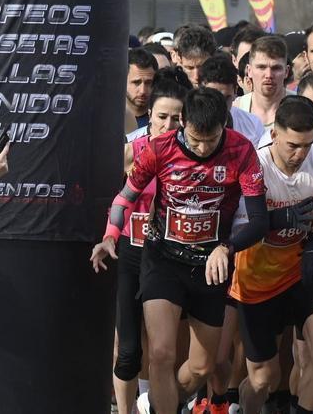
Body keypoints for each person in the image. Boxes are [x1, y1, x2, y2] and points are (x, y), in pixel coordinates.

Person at [97, 88, 269, 414]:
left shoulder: (241, 150)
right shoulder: (158, 148)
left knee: (203, 367)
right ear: (182, 123)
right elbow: (124, 198)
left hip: (210, 264)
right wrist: (110, 234)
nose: (203, 148)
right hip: (163, 259)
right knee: (161, 353)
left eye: (212, 139)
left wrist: (226, 248)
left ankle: (160, 402)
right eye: (195, 139)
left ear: (225, 126)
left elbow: (259, 221)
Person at [231, 97, 313, 414]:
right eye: (293, 145)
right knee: (263, 379)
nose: (300, 154)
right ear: (274, 134)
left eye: (306, 145)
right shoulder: (254, 166)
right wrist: (275, 220)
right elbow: (237, 229)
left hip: (303, 270)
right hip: (258, 277)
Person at [93, 72, 189, 414]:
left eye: (176, 119)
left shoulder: (191, 157)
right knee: (129, 348)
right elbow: (112, 200)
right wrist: (109, 235)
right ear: (149, 115)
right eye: (161, 117)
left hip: (170, 257)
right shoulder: (131, 152)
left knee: (165, 348)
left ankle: (162, 402)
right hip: (130, 255)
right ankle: (124, 409)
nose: (167, 125)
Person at [236, 35, 293, 129]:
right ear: (249, 70)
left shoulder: (301, 107)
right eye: (261, 67)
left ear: (286, 71)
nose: (269, 75)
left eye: (276, 68)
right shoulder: (237, 109)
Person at [126, 48, 158, 134]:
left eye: (148, 83)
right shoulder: (111, 118)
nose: (143, 91)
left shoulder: (163, 121)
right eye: (136, 82)